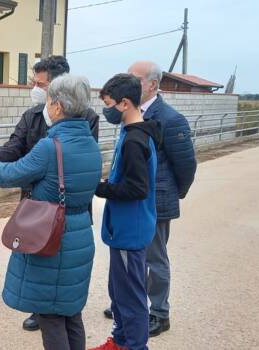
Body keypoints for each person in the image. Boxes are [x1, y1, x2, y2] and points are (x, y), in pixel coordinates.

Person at [0, 56, 100, 331]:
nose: (37, 89)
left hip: (56, 212)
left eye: (42, 85)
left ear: (58, 95)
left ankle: (42, 311)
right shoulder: (42, 119)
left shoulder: (66, 133)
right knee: (67, 308)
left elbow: (18, 170)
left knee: (51, 307)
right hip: (60, 217)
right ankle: (39, 310)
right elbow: (14, 145)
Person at [103, 62, 197, 337]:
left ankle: (158, 311)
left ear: (153, 85)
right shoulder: (131, 114)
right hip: (135, 201)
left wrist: (173, 194)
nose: (129, 82)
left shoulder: (169, 118)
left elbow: (186, 165)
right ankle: (130, 302)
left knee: (154, 259)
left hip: (155, 200)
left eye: (135, 79)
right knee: (133, 260)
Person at [89, 74, 162, 350]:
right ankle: (120, 341)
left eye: (109, 104)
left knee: (131, 297)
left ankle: (134, 345)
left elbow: (137, 188)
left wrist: (102, 189)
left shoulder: (134, 141)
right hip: (125, 228)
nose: (107, 110)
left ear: (125, 103)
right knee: (118, 292)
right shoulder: (135, 133)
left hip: (130, 230)